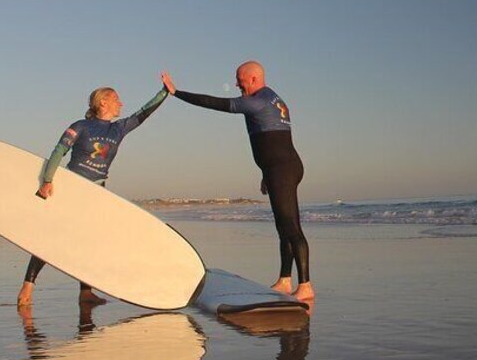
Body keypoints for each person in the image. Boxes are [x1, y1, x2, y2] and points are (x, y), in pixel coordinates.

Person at [17, 76, 175, 305]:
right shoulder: (80, 126)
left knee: (89, 241)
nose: (121, 104)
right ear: (103, 102)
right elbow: (58, 151)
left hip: (97, 192)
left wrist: (164, 92)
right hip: (72, 188)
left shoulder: (118, 129)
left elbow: (143, 114)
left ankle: (85, 292)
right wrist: (48, 180)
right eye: (116, 100)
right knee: (52, 237)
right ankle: (27, 287)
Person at [165, 61, 313, 302]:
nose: (236, 84)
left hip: (282, 169)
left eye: (239, 79)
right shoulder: (272, 98)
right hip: (281, 167)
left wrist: (177, 93)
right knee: (283, 227)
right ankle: (285, 280)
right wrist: (266, 173)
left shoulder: (258, 99)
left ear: (253, 79)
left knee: (291, 227)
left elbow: (216, 103)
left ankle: (305, 285)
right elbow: (274, 142)